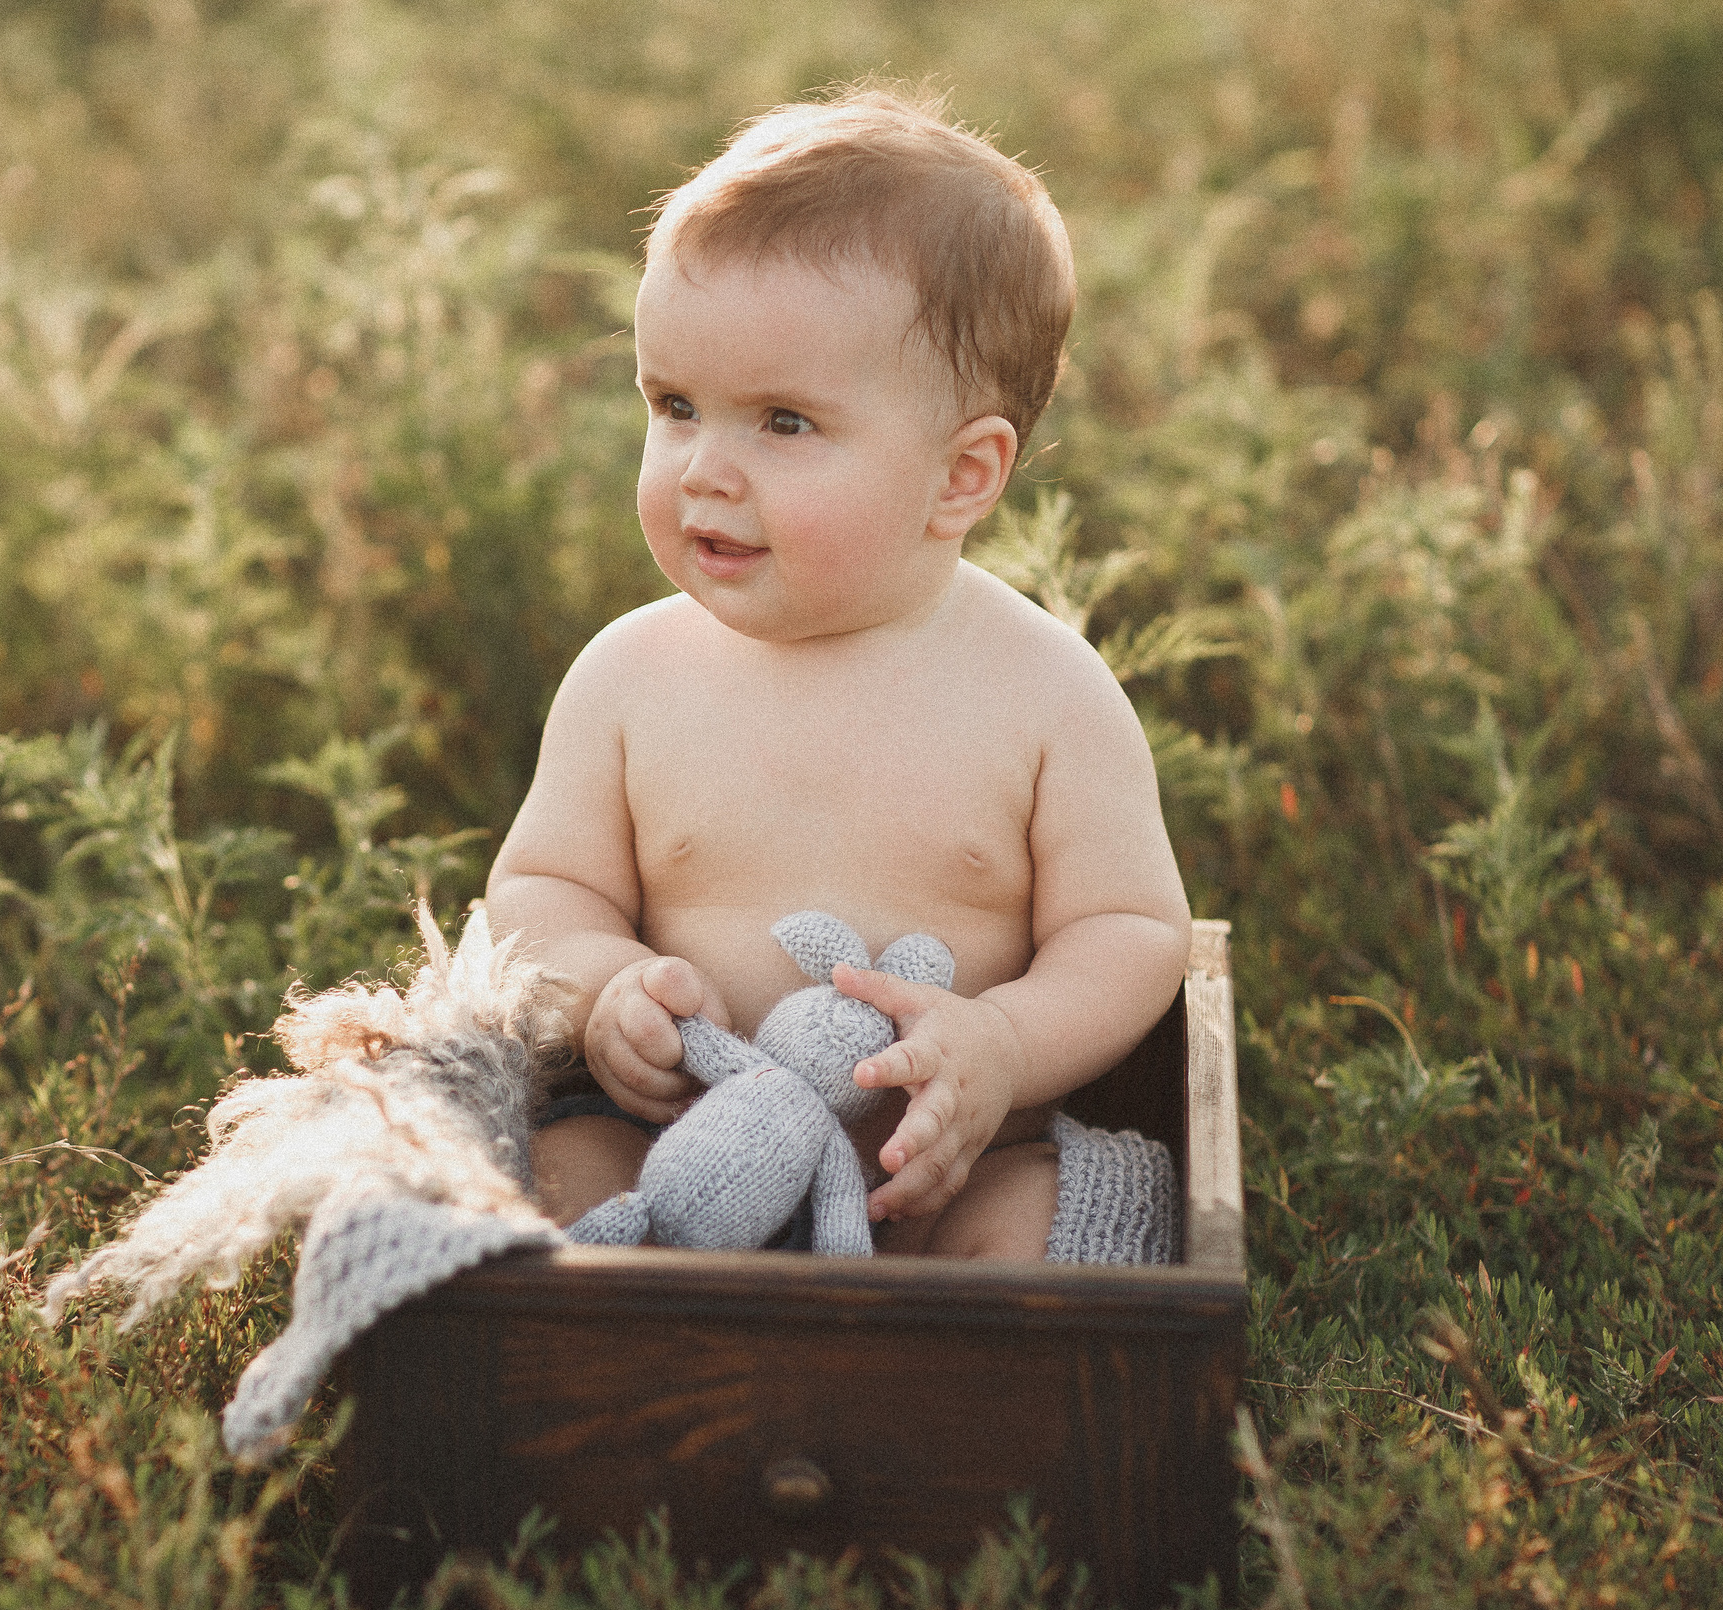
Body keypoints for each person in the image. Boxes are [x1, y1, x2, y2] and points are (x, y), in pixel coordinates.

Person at [484, 84, 1193, 1260]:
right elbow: (540, 893)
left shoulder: (1045, 696)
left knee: (1048, 1231)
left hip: (940, 1179)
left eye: (784, 423)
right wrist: (607, 988)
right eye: (675, 406)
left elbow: (1129, 931)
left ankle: (929, 1382)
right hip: (680, 1160)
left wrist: (1003, 1046)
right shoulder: (628, 676)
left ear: (962, 477)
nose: (704, 469)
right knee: (543, 1180)